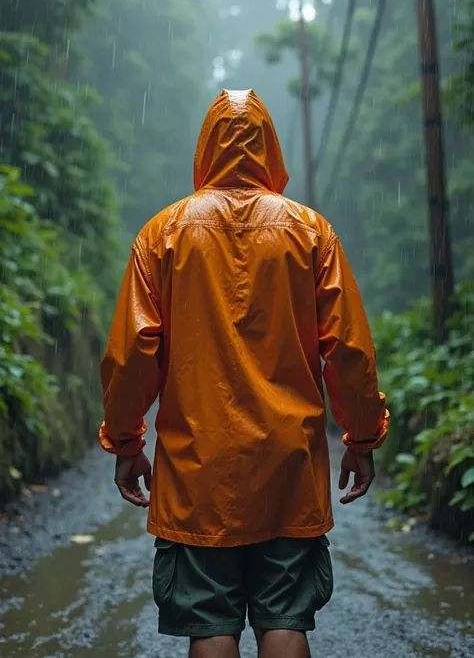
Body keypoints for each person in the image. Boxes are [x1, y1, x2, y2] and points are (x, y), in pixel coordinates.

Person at [100, 89, 390, 658]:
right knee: (285, 620)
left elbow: (133, 354)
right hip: (289, 468)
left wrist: (127, 442)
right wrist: (362, 437)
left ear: (205, 149)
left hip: (196, 474)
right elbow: (349, 351)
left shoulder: (162, 234)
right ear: (269, 147)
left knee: (210, 623)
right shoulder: (311, 233)